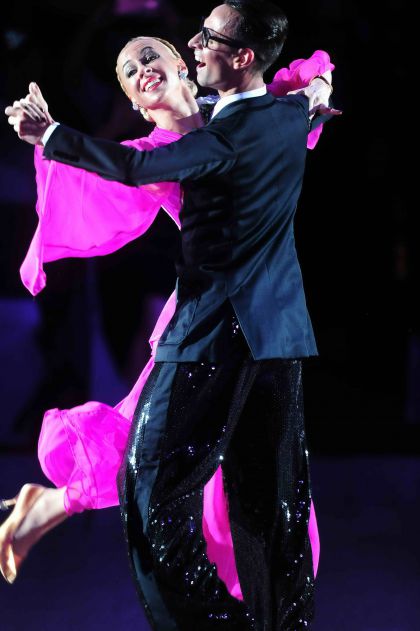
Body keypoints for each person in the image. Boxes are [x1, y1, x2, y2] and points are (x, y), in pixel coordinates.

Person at [3, 3, 338, 627]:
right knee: (153, 459)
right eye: (130, 72)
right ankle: (51, 508)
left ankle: (49, 508)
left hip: (254, 326)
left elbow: (299, 82)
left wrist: (315, 88)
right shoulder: (159, 148)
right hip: (203, 323)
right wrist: (51, 137)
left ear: (184, 63)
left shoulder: (236, 111)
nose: (141, 69)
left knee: (238, 484)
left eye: (149, 55)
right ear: (135, 102)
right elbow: (121, 171)